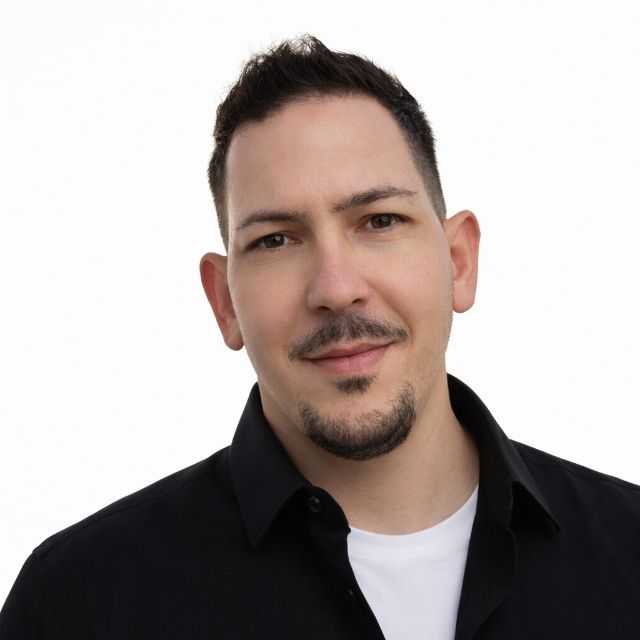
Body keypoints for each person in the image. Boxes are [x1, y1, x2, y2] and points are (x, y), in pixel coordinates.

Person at [1, 34, 639, 640]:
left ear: (459, 262)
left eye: (379, 221)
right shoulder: (78, 603)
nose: (335, 288)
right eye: (276, 240)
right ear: (224, 301)